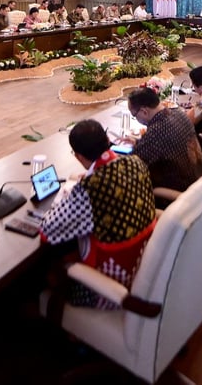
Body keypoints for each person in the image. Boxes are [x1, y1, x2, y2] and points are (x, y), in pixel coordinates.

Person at [39, 119, 156, 309]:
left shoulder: (90, 189)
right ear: (107, 140)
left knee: (47, 265)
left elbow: (47, 230)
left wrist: (69, 198)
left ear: (78, 156)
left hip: (110, 288)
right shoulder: (136, 162)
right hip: (145, 265)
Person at [126, 87, 202, 193]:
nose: (136, 119)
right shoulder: (179, 113)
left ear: (144, 111)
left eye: (134, 115)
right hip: (199, 180)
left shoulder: (156, 132)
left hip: (179, 194)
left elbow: (130, 165)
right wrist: (139, 142)